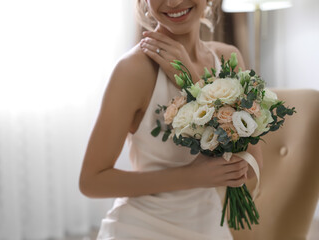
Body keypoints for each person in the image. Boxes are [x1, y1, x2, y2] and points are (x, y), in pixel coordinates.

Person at [80, 0, 263, 239]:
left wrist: (194, 83)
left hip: (208, 228)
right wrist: (193, 176)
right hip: (140, 227)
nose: (174, 2)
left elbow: (249, 168)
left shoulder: (228, 58)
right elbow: (92, 182)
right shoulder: (133, 69)